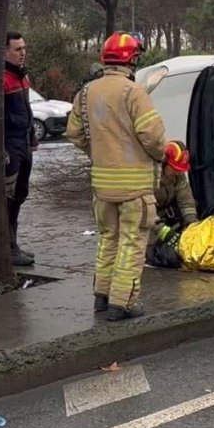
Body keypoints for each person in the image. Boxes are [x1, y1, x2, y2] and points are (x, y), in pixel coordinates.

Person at [67, 31, 168, 321]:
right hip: (134, 186)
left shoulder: (86, 92)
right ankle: (122, 303)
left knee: (108, 239)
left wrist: (97, 151)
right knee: (132, 242)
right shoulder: (132, 91)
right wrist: (158, 155)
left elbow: (74, 132)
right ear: (131, 59)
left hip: (102, 184)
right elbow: (152, 136)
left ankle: (102, 295)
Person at [2, 32, 38, 267]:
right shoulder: (2, 80)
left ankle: (12, 242)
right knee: (8, 197)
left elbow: (27, 110)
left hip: (24, 143)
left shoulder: (22, 77)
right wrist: (2, 149)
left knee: (20, 194)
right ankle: (8, 245)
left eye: (24, 48)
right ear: (5, 52)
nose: (22, 53)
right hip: (11, 145)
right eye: (17, 49)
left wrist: (32, 137)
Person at [154, 140, 198, 229]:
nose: (178, 173)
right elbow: (145, 213)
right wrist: (163, 232)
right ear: (164, 163)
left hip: (169, 217)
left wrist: (192, 224)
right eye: (175, 168)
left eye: (180, 169)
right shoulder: (150, 176)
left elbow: (186, 200)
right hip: (151, 222)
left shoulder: (178, 175)